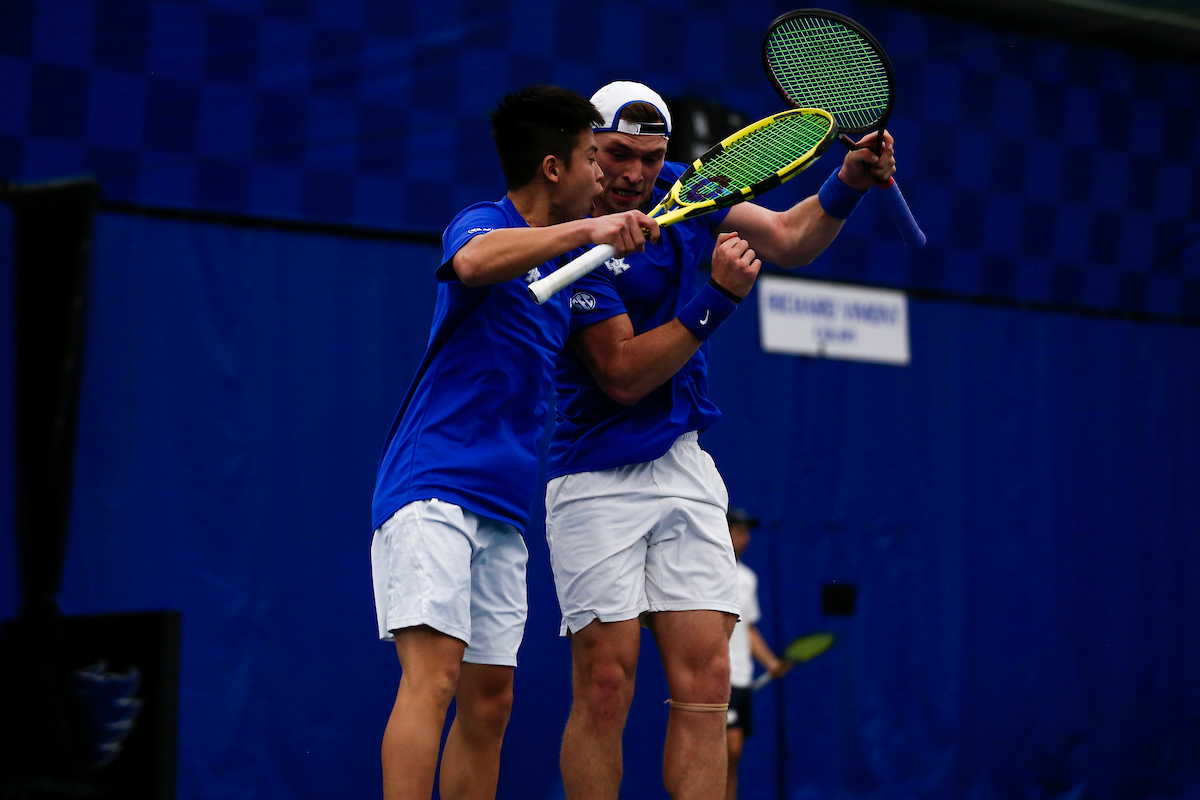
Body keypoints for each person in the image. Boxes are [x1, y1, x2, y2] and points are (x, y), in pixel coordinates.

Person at [545, 81, 896, 800]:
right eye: (617, 154)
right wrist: (719, 300)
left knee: (707, 682)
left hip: (683, 464)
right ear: (588, 147)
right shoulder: (564, 228)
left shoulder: (689, 188)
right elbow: (620, 376)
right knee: (606, 684)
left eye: (651, 156)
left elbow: (792, 238)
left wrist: (847, 182)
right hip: (592, 476)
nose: (636, 174)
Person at [370, 84, 659, 800]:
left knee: (490, 705)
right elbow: (473, 264)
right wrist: (586, 234)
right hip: (431, 488)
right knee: (432, 679)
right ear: (555, 168)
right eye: (596, 158)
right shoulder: (482, 223)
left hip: (503, 510)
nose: (606, 176)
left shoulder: (570, 280)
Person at [725, 508, 789, 800]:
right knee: (727, 750)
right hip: (717, 678)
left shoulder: (748, 578)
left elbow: (747, 629)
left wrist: (771, 663)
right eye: (738, 531)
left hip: (742, 679)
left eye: (746, 531)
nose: (745, 538)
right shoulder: (704, 572)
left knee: (733, 757)